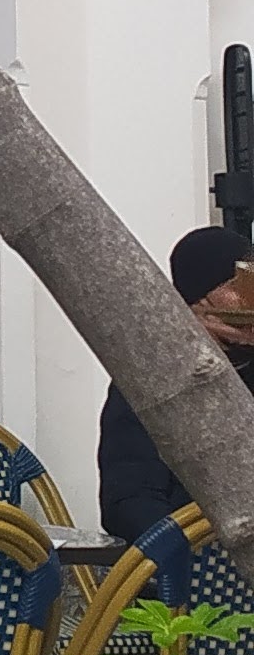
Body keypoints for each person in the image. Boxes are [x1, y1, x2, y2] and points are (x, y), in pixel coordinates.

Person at [94, 227, 254, 539]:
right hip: (197, 555)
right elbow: (128, 499)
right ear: (200, 302)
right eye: (239, 286)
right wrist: (186, 552)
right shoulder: (151, 379)